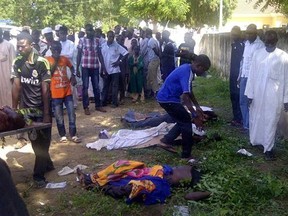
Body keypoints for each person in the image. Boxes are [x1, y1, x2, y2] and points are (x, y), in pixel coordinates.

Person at [12, 32, 54, 188]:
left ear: (31, 45)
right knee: (37, 143)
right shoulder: (17, 62)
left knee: (46, 141)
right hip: (27, 111)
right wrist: (14, 110)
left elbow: (45, 90)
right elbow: (16, 86)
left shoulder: (42, 62)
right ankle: (39, 176)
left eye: (22, 45)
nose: (20, 48)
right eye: (18, 46)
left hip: (42, 108)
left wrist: (47, 114)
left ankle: (46, 166)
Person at [76, 160, 210, 205]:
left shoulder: (198, 182)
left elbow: (188, 196)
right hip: (153, 171)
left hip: (160, 182)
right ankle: (91, 178)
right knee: (121, 165)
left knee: (136, 187)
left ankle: (96, 186)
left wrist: (208, 193)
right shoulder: (195, 168)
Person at [245, 30, 288, 160]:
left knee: (271, 120)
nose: (269, 44)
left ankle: (268, 149)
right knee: (256, 118)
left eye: (272, 42)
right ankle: (255, 141)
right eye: (267, 42)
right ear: (264, 41)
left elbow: (287, 79)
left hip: (274, 95)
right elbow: (251, 75)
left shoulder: (283, 57)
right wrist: (249, 94)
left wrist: (286, 99)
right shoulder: (258, 54)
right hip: (257, 92)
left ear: (276, 41)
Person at [157, 54, 211, 159]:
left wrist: (197, 107)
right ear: (199, 66)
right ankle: (186, 154)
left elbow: (189, 91)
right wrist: (195, 116)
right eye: (203, 70)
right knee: (186, 122)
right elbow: (185, 98)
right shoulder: (187, 73)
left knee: (183, 120)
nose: (203, 73)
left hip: (165, 98)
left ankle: (166, 140)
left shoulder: (188, 69)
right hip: (168, 99)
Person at [46, 41, 81, 143]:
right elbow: (50, 73)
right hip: (55, 93)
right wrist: (56, 61)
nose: (56, 52)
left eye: (58, 50)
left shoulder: (65, 59)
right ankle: (62, 135)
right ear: (51, 50)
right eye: (54, 50)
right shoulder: (47, 60)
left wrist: (73, 76)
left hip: (67, 92)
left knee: (71, 114)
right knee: (59, 115)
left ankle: (73, 134)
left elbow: (72, 67)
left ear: (61, 50)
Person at [238, 24, 264, 131]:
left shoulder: (260, 45)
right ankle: (246, 124)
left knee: (252, 103)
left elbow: (260, 65)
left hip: (253, 78)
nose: (248, 35)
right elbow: (243, 61)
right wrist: (239, 76)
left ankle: (252, 125)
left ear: (256, 33)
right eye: (247, 33)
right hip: (244, 77)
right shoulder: (246, 44)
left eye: (250, 33)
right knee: (242, 101)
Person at [76, 24, 106, 115]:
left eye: (91, 30)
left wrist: (103, 66)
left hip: (95, 67)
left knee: (96, 87)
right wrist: (77, 68)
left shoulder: (97, 41)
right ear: (86, 31)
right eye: (88, 30)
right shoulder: (82, 40)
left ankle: (98, 105)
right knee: (85, 87)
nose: (90, 32)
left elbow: (100, 54)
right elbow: (79, 54)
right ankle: (86, 107)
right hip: (85, 67)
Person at [100, 30, 128, 108]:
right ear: (107, 37)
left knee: (115, 87)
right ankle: (104, 101)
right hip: (106, 69)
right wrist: (102, 69)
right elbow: (101, 58)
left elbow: (126, 53)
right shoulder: (103, 46)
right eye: (110, 36)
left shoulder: (117, 45)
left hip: (115, 70)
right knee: (106, 86)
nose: (111, 38)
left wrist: (119, 61)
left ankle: (114, 102)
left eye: (112, 37)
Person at [229, 26, 244, 126]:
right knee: (233, 95)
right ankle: (236, 117)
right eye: (232, 34)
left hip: (239, 75)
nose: (233, 36)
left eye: (235, 34)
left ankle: (240, 118)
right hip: (232, 74)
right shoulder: (233, 44)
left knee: (238, 96)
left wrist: (240, 76)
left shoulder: (242, 45)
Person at [0, 28, 16, 107]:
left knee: (7, 102)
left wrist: (13, 78)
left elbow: (13, 63)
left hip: (6, 80)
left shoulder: (9, 45)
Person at [146, 28, 160, 98]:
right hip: (153, 60)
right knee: (150, 76)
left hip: (153, 60)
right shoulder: (154, 40)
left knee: (152, 77)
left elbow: (156, 51)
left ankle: (156, 92)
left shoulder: (151, 41)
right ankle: (151, 92)